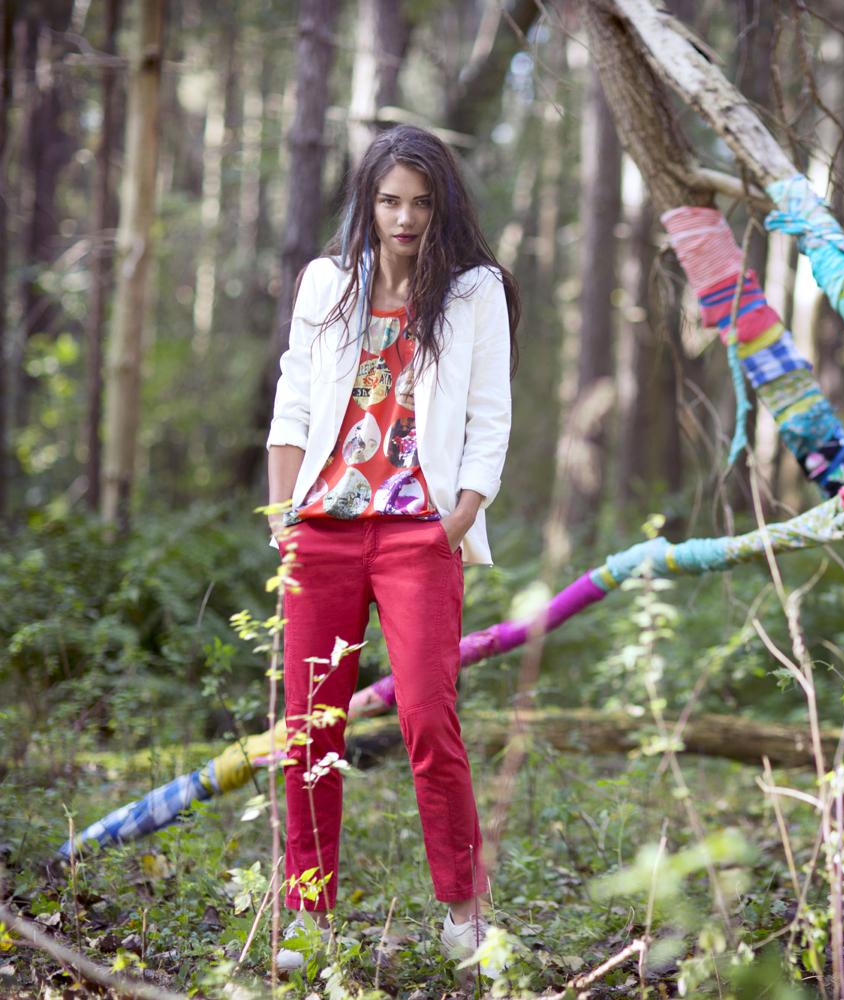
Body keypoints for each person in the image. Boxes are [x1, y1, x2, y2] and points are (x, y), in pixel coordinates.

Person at [264, 124, 518, 974]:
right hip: (323, 530)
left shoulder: (474, 291)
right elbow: (295, 400)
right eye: (388, 201)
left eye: (420, 202)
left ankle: (463, 916)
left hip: (419, 533)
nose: (404, 218)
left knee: (428, 720)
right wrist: (282, 514)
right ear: (366, 203)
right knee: (311, 724)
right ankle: (307, 918)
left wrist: (458, 519)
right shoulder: (327, 282)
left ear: (443, 205)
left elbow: (489, 416)